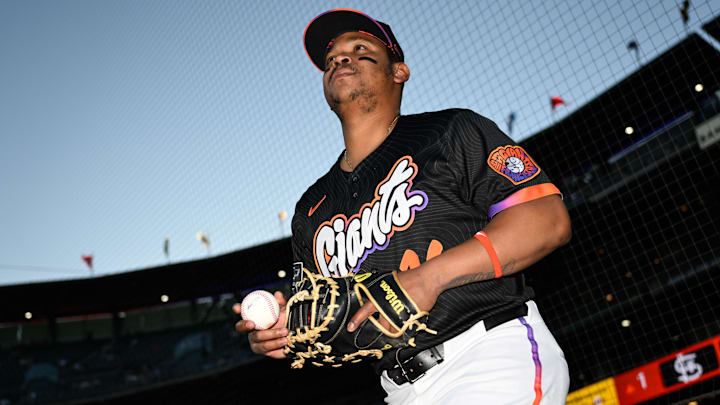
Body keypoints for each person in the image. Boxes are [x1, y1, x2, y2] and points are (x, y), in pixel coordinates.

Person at [235, 9, 571, 404]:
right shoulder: (311, 210)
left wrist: (428, 278)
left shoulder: (451, 131)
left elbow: (547, 220)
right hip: (399, 391)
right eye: (331, 59)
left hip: (488, 354)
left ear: (400, 71)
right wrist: (283, 333)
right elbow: (326, 319)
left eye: (360, 49)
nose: (341, 59)